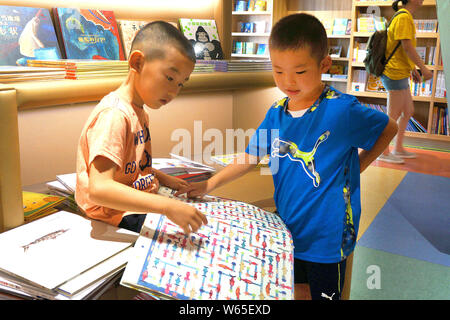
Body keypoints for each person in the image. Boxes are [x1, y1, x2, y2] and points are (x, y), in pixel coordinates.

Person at [177, 13, 398, 300]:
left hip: (328, 238)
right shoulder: (276, 112)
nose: (288, 81)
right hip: (287, 230)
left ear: (324, 65)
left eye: (300, 71)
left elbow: (388, 127)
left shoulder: (342, 110)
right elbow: (250, 156)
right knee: (294, 291)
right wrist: (207, 185)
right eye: (278, 71)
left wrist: (358, 165)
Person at [75, 21, 208, 234]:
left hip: (140, 199)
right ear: (137, 62)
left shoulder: (139, 111)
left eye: (181, 83)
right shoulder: (114, 115)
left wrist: (163, 178)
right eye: (170, 77)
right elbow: (99, 188)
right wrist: (168, 206)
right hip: (116, 213)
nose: (174, 91)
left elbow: (128, 168)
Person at [377, 0, 433, 164]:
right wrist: (423, 69)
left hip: (400, 71)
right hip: (394, 73)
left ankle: (398, 147)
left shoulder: (404, 16)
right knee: (392, 117)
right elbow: (407, 47)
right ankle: (383, 152)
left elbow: (400, 49)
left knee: (408, 110)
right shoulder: (404, 17)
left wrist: (413, 70)